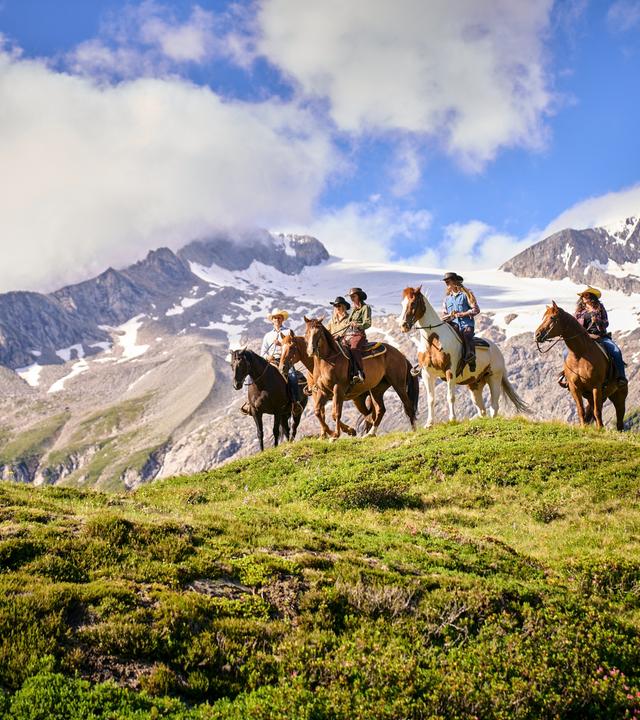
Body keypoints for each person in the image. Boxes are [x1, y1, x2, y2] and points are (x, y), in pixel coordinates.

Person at [244, 308, 303, 414]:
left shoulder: (288, 332)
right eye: (275, 318)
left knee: (293, 376)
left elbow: (291, 347)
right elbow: (263, 353)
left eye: (279, 317)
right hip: (270, 361)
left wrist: (280, 345)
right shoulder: (267, 336)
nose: (277, 319)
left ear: (282, 319)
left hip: (284, 360)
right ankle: (249, 403)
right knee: (250, 376)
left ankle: (295, 402)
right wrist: (268, 357)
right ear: (272, 320)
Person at [571, 287, 626, 385]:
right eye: (583, 295)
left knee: (616, 351)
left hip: (600, 336)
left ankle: (621, 377)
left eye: (586, 295)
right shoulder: (579, 311)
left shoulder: (600, 308)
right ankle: (568, 376)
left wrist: (597, 320)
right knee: (566, 353)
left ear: (592, 296)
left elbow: (606, 323)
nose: (584, 297)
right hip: (584, 338)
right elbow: (575, 325)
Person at [441, 272, 480, 372]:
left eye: (448, 282)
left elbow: (476, 310)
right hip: (453, 326)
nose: (446, 284)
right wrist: (449, 316)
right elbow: (444, 315)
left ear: (454, 281)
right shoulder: (446, 299)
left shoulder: (466, 294)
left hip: (466, 325)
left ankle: (471, 358)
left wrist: (463, 314)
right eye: (445, 282)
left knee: (466, 335)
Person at [343, 287, 372, 383]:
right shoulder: (353, 309)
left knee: (354, 349)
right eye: (350, 297)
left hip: (359, 335)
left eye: (353, 296)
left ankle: (359, 372)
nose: (351, 298)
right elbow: (348, 321)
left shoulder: (365, 308)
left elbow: (368, 323)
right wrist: (348, 323)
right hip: (348, 334)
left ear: (359, 297)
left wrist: (357, 325)